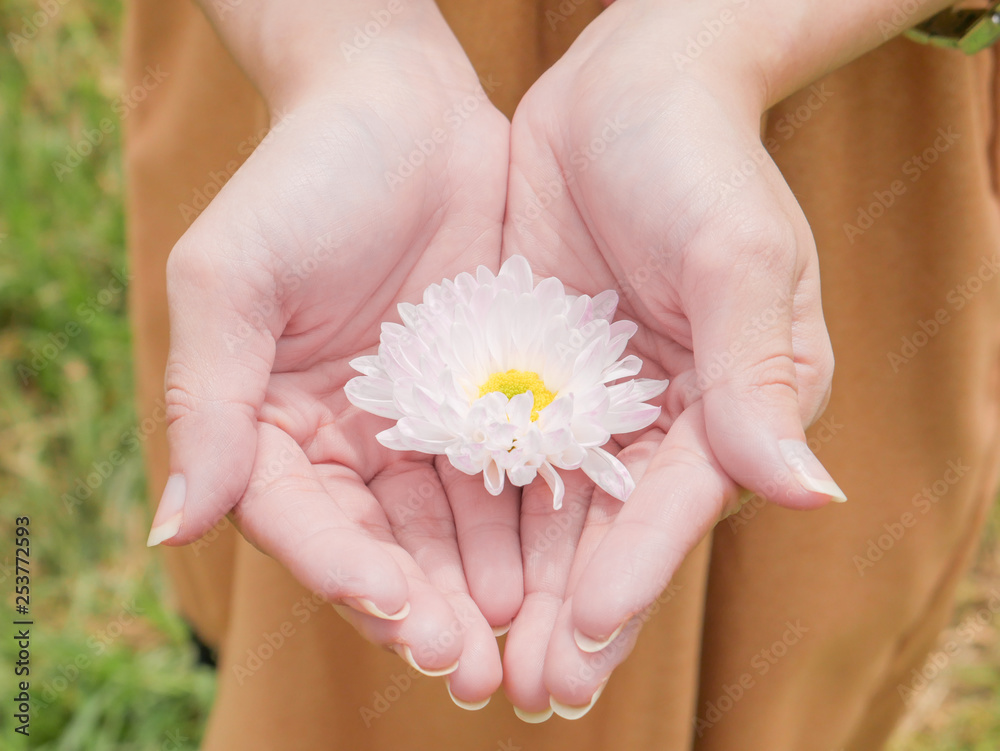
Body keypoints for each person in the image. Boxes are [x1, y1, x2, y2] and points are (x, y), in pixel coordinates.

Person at [127, 0, 1000, 747]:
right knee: (335, 678)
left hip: (833, 72)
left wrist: (714, 42)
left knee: (799, 626)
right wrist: (342, 51)